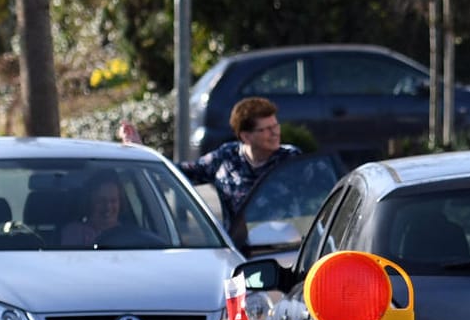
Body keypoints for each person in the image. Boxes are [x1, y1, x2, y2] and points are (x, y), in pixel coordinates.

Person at [119, 96, 300, 244]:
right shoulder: (226, 157)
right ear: (246, 136)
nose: (275, 132)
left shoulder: (291, 158)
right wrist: (140, 149)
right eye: (266, 129)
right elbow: (178, 174)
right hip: (241, 251)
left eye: (275, 125)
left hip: (286, 246)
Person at [60, 170, 124, 246]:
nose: (108, 206)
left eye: (113, 201)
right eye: (101, 201)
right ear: (89, 203)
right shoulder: (74, 232)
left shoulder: (130, 234)